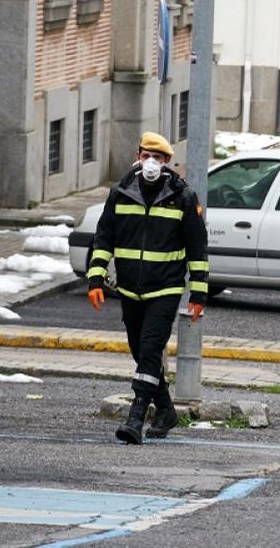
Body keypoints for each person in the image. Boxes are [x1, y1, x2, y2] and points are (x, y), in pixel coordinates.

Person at [86, 132, 210, 444]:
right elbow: (104, 237)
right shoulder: (121, 192)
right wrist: (95, 278)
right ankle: (167, 410)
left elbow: (197, 248)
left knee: (151, 350)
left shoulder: (183, 197)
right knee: (140, 352)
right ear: (138, 156)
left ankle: (136, 417)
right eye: (146, 156)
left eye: (158, 157)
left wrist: (198, 293)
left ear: (168, 161)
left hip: (164, 290)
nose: (151, 162)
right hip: (130, 290)